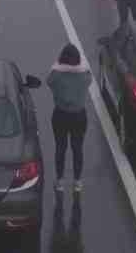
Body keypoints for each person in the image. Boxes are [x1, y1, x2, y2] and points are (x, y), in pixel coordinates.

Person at [46, 44, 93, 192]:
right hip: (79, 116)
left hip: (60, 115)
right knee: (77, 148)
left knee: (60, 148)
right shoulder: (84, 76)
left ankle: (60, 181)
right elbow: (89, 75)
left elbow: (49, 80)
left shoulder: (56, 76)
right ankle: (77, 181)